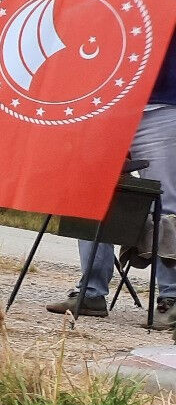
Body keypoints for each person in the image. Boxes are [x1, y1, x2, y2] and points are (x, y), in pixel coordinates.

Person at [48, 39, 176, 326]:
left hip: (163, 102)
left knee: (167, 203)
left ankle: (173, 298)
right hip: (108, 100)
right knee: (89, 192)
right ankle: (91, 292)